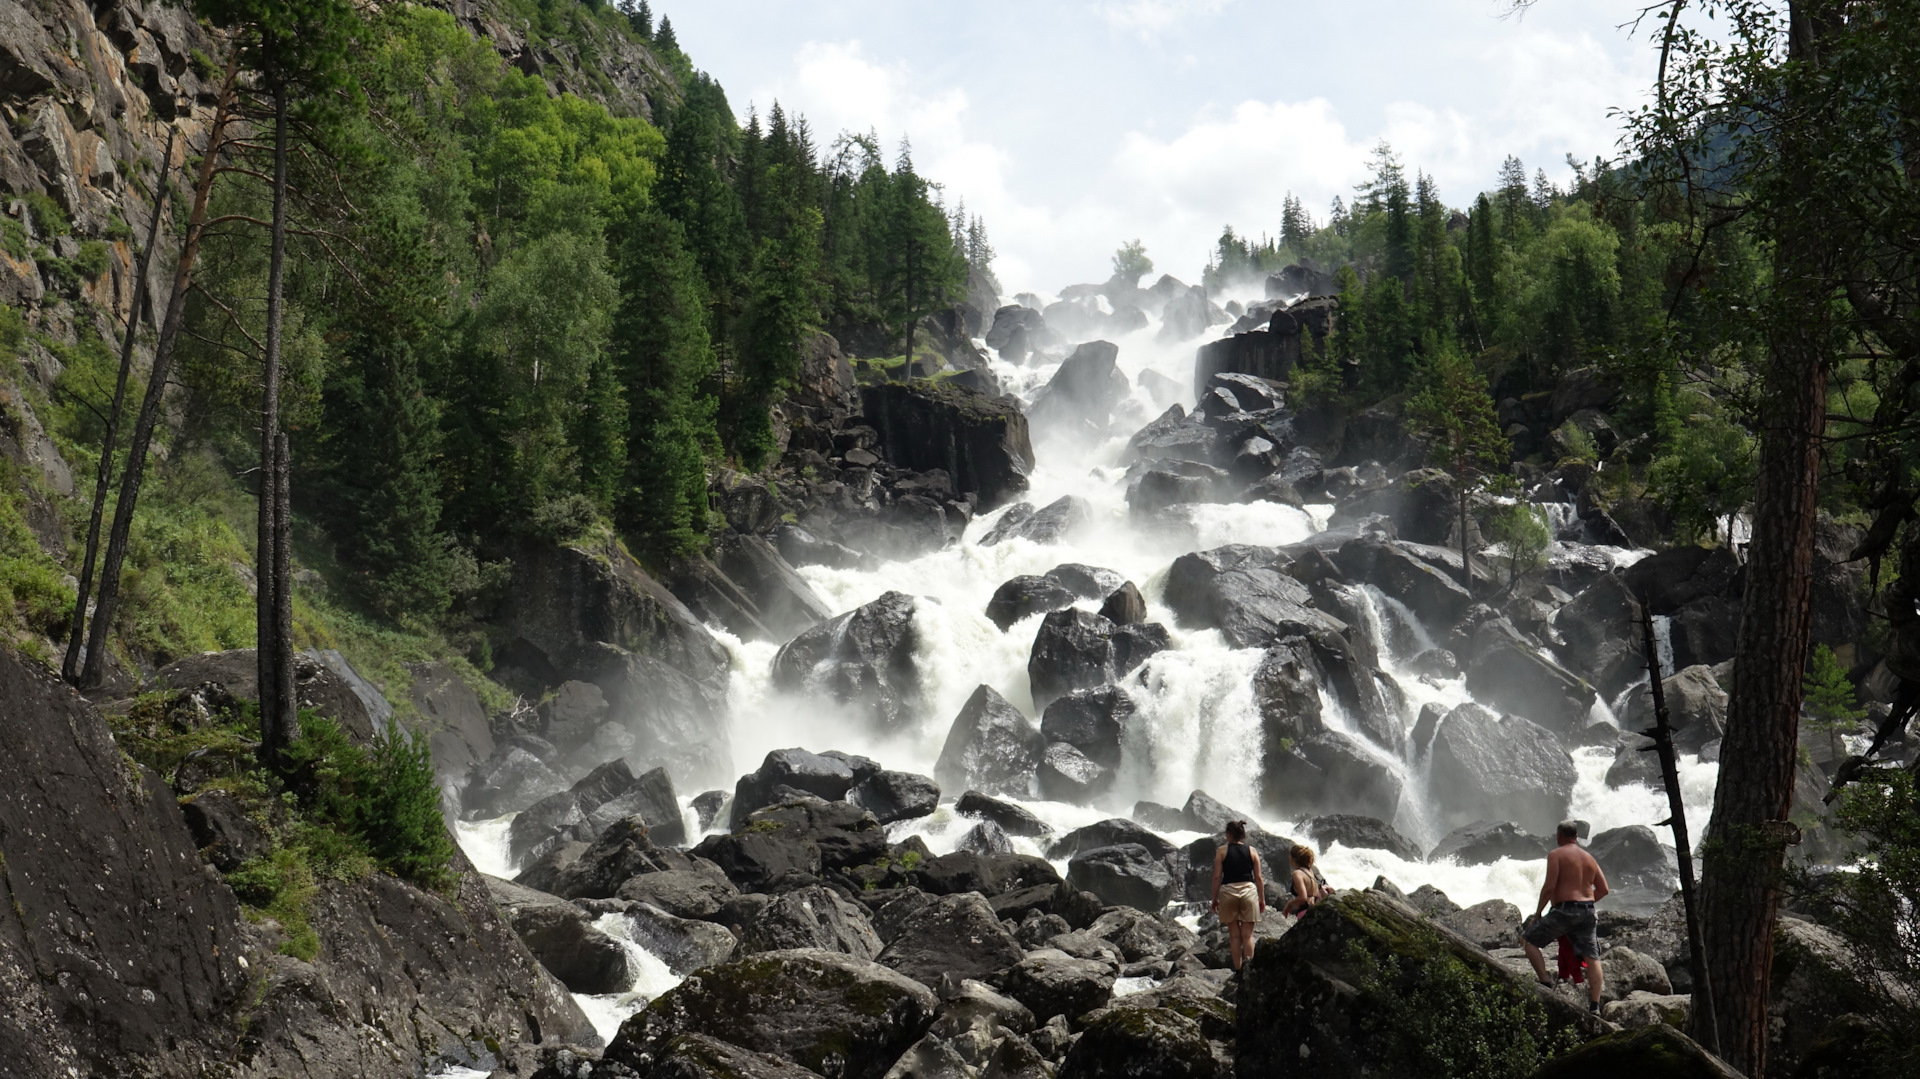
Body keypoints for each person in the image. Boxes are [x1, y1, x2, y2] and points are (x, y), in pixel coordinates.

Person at [1519, 821, 1610, 1012]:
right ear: (1576, 836)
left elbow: (1549, 886)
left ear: (1559, 836)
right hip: (1587, 911)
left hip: (1564, 910)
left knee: (1528, 941)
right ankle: (1595, 1005)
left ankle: (1544, 984)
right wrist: (1587, 902)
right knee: (1592, 956)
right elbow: (1604, 889)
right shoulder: (1589, 858)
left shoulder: (1556, 854)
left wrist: (1538, 913)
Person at [1210, 820, 1265, 971]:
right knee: (1248, 936)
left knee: (1234, 936)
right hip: (1248, 890)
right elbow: (1258, 877)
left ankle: (1239, 971)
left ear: (1228, 835)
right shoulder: (1252, 851)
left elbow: (1216, 877)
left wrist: (1214, 899)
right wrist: (1262, 899)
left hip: (1228, 892)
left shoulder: (1221, 851)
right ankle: (1249, 972)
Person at [1281, 844, 1324, 916]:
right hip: (1314, 910)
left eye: (1290, 855)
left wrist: (1289, 904)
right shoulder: (1310, 871)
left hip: (1305, 912)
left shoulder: (1298, 873)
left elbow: (1303, 897)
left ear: (1294, 858)